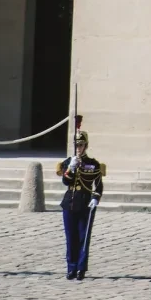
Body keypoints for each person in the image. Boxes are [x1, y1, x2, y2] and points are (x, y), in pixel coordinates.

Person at [57, 117, 105, 281]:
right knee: (71, 238)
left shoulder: (93, 164)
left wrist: (95, 198)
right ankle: (71, 267)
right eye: (76, 145)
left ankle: (81, 269)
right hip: (70, 202)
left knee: (83, 238)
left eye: (81, 145)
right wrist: (70, 168)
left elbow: (98, 185)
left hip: (85, 203)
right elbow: (66, 181)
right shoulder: (68, 162)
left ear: (86, 146)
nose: (78, 148)